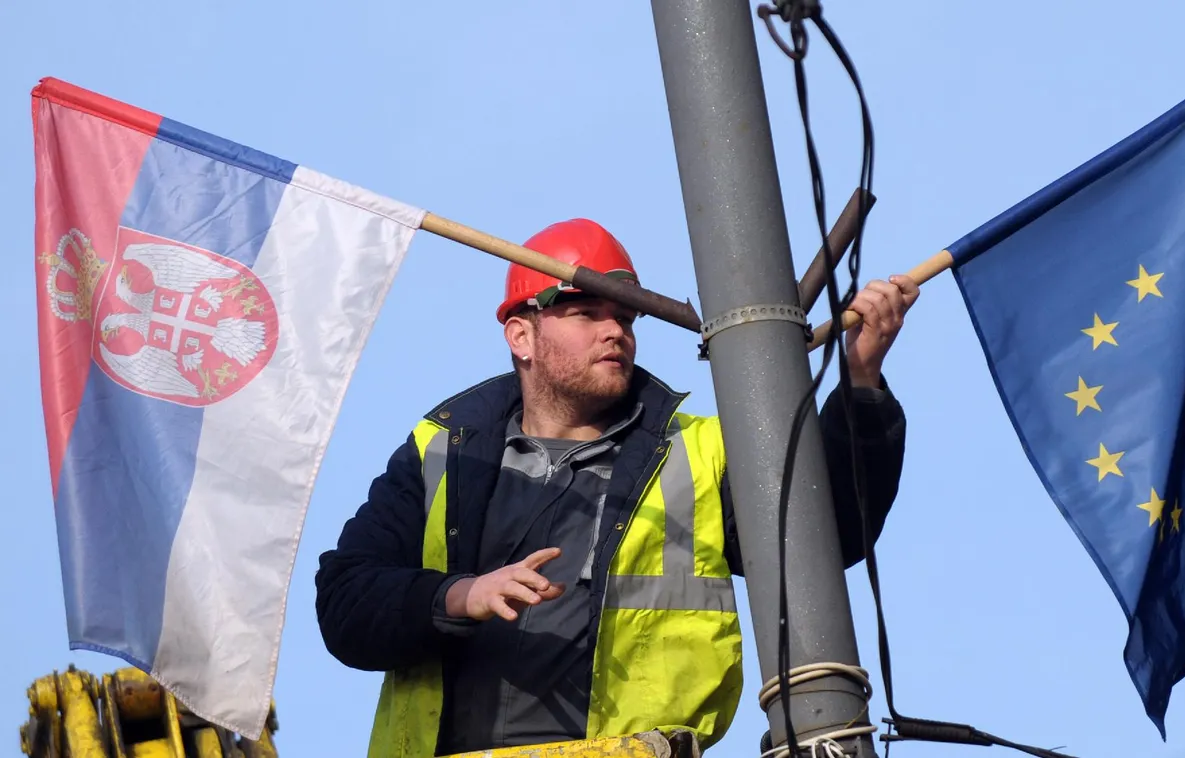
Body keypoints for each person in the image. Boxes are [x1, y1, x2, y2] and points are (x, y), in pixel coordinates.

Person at [314, 218, 918, 758]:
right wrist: (459, 595)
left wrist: (861, 384)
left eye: (625, 317)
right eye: (586, 313)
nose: (616, 332)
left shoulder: (701, 451)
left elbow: (825, 538)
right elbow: (346, 604)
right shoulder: (442, 451)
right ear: (520, 336)